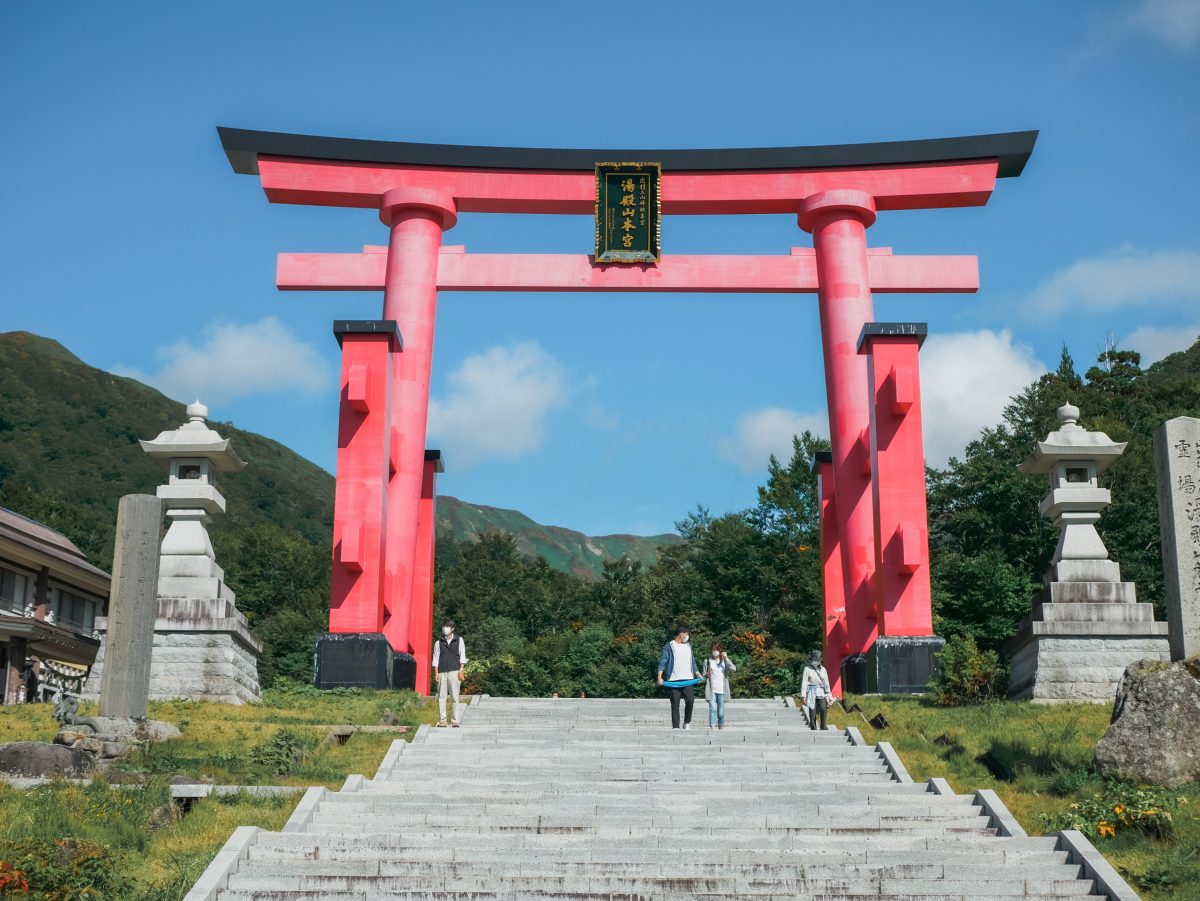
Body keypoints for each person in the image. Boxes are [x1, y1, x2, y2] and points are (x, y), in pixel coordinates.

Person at [657, 625, 701, 730]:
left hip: (688, 679)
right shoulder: (669, 646)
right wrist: (659, 677)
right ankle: (675, 727)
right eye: (687, 634)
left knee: (690, 701)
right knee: (675, 705)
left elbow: (692, 661)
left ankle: (686, 722)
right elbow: (663, 661)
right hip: (673, 680)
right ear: (681, 634)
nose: (687, 636)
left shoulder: (688, 646)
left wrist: (697, 673)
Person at [432, 619, 467, 727]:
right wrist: (436, 672)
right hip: (442, 671)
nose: (445, 628)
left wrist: (461, 669)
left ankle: (455, 721)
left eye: (448, 626)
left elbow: (462, 655)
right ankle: (442, 721)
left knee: (455, 697)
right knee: (441, 697)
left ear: (453, 629)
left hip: (454, 671)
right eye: (444, 626)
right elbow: (436, 658)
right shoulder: (439, 642)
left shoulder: (459, 640)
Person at [702, 642, 736, 729]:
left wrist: (726, 658)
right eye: (714, 649)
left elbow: (733, 668)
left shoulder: (724, 660)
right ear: (711, 650)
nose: (715, 651)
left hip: (722, 689)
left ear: (720, 650)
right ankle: (712, 727)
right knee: (712, 709)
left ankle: (721, 727)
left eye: (717, 649)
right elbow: (703, 676)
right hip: (711, 689)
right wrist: (706, 674)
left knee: (721, 712)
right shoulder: (707, 661)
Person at [801, 650, 833, 731]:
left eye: (817, 660)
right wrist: (803, 695)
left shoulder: (823, 669)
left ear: (820, 660)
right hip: (811, 691)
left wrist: (829, 695)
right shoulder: (807, 669)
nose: (815, 662)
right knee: (812, 711)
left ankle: (823, 725)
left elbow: (826, 683)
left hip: (821, 691)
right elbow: (804, 682)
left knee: (823, 709)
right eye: (814, 660)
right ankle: (813, 727)